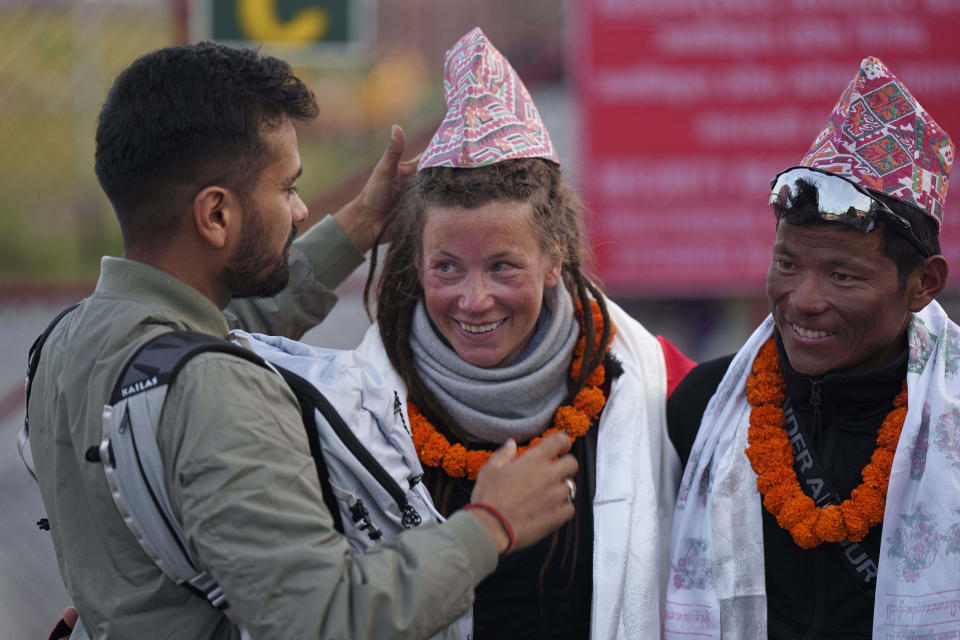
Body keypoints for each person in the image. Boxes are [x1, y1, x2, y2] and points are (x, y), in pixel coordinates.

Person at [29, 42, 579, 639]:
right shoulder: (215, 392)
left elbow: (215, 331)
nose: (299, 211)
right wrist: (490, 523)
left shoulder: (70, 340)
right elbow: (322, 620)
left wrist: (362, 223)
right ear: (215, 215)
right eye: (287, 187)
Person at [348, 28, 694, 638]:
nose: (473, 300)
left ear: (555, 257)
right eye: (446, 267)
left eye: (503, 266)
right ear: (416, 261)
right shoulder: (354, 405)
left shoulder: (657, 382)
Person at [664, 57, 957, 639]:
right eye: (786, 264)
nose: (803, 300)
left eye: (843, 277)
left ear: (923, 284)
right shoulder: (699, 406)